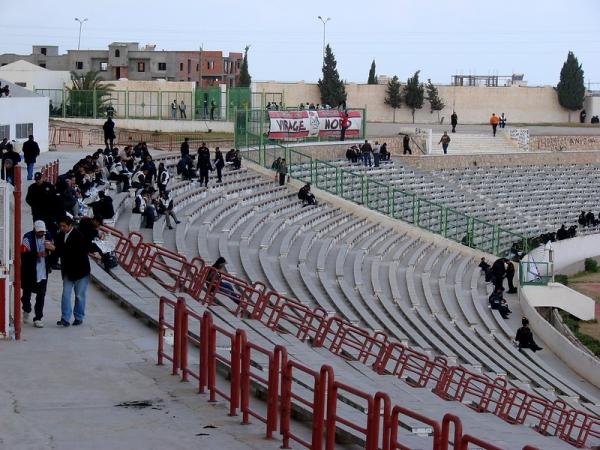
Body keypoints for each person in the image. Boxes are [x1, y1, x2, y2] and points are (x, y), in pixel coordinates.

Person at [55, 216, 91, 327]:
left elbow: (72, 252)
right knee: (65, 295)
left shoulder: (78, 236)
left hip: (80, 271)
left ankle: (79, 317)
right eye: (61, 226)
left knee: (79, 296)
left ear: (70, 225)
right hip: (68, 270)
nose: (62, 228)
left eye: (64, 226)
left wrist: (55, 249)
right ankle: (65, 318)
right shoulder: (60, 235)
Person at [21, 220, 55, 328]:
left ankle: (38, 317)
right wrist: (37, 254)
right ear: (34, 230)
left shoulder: (48, 235)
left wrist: (52, 249)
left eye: (43, 232)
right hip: (29, 271)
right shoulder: (27, 238)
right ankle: (26, 309)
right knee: (27, 294)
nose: (41, 234)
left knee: (41, 295)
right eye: (39, 232)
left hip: (42, 271)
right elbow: (24, 255)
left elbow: (54, 250)